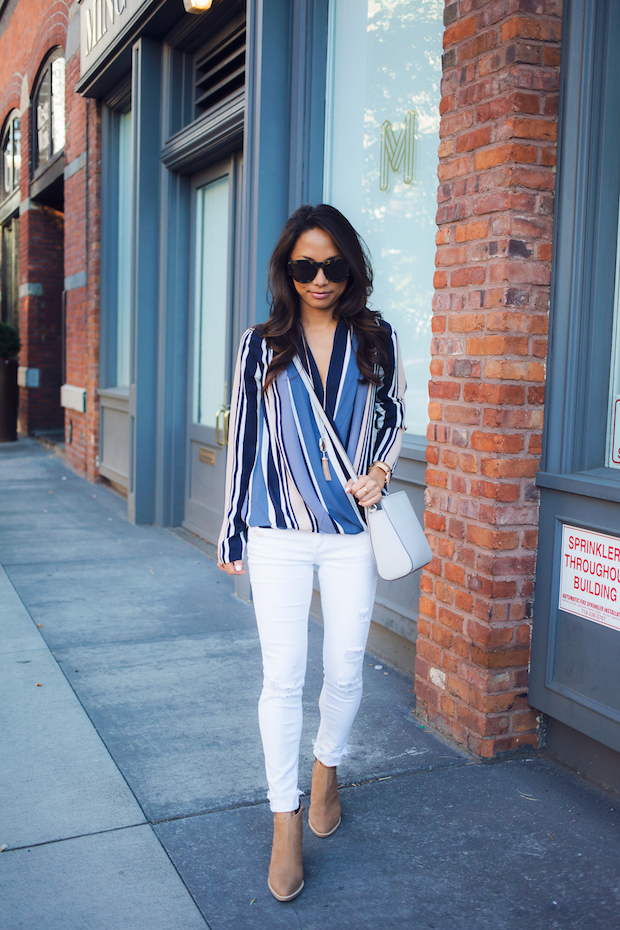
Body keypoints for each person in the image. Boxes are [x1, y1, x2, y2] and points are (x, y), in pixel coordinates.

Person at [217, 203, 406, 902]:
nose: (319, 278)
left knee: (347, 669)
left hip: (352, 534)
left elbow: (394, 415)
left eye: (332, 265)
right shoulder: (260, 344)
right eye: (305, 266)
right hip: (277, 532)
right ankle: (285, 818)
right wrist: (231, 527)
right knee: (283, 677)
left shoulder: (377, 336)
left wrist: (380, 470)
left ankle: (327, 767)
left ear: (349, 266)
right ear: (287, 270)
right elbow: (243, 442)